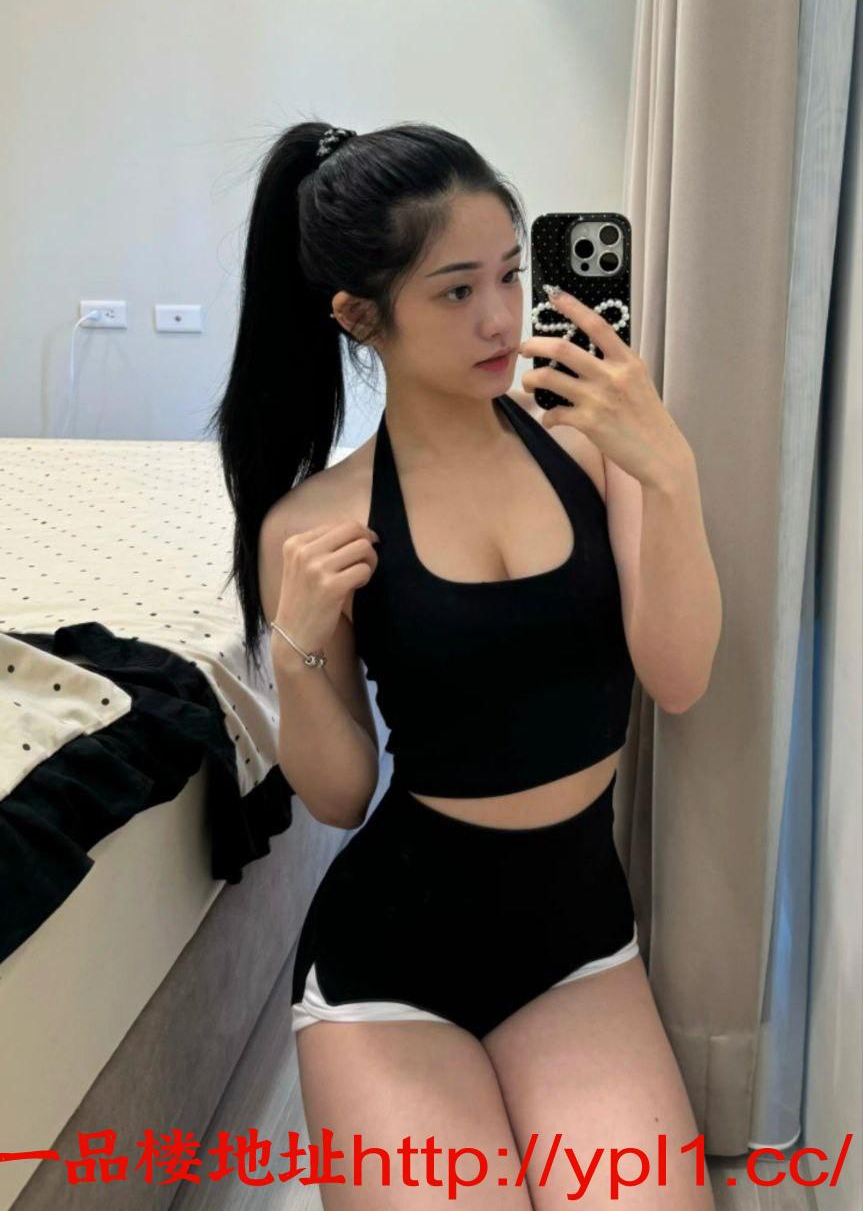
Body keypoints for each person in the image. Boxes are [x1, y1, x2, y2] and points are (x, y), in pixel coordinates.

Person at [208, 121, 716, 1208]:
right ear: (359, 316)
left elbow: (677, 677)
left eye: (509, 274)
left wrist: (666, 471)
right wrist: (295, 646)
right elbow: (341, 797)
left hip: (578, 945)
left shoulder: (591, 449)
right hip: (393, 964)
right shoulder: (317, 519)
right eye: (454, 291)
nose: (499, 317)